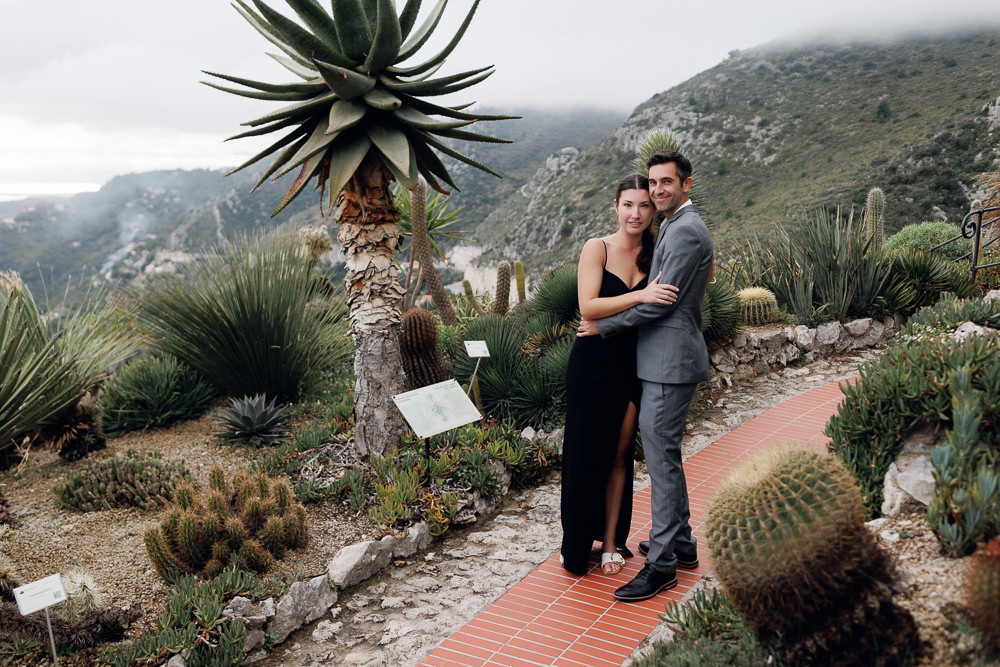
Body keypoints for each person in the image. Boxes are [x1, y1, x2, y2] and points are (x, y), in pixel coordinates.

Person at [578, 150, 714, 601]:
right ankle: (682, 543)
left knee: (660, 462)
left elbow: (662, 301)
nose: (656, 190)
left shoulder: (686, 230)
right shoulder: (674, 226)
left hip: (667, 362)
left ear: (686, 184)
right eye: (652, 183)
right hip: (658, 361)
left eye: (665, 183)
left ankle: (662, 566)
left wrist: (603, 326)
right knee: (666, 458)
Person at [560, 173, 680, 576]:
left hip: (634, 363)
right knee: (583, 454)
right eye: (628, 204)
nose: (636, 213)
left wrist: (632, 308)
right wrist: (641, 296)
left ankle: (611, 542)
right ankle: (575, 542)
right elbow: (588, 308)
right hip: (592, 363)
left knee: (619, 456)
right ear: (615, 206)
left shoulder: (658, 250)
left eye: (644, 205)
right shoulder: (598, 248)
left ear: (653, 210)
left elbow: (668, 304)